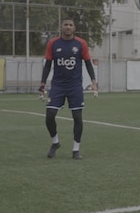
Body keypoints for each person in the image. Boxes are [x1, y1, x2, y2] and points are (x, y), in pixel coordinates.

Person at [39, 17, 98, 160]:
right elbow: (47, 65)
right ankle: (55, 142)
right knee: (50, 116)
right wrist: (42, 84)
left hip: (75, 86)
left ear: (74, 28)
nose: (68, 27)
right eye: (65, 25)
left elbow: (88, 64)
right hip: (58, 85)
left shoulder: (80, 44)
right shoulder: (53, 43)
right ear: (61, 27)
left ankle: (76, 150)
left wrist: (94, 81)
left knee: (77, 117)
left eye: (70, 25)